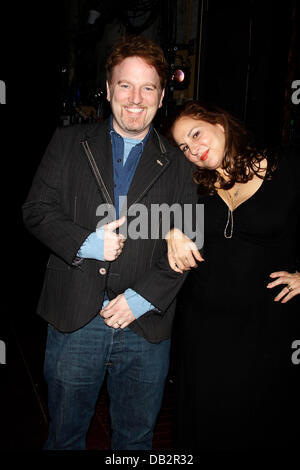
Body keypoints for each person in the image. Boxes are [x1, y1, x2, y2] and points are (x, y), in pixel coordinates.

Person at [22, 35, 197, 450]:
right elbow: (36, 210)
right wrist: (85, 242)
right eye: (125, 85)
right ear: (108, 90)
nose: (135, 98)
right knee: (64, 438)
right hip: (74, 318)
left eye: (148, 87)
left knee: (135, 441)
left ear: (160, 96)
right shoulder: (67, 143)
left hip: (145, 327)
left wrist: (140, 299)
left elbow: (187, 241)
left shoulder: (178, 162)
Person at [165, 100, 300, 450]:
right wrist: (169, 230)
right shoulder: (192, 188)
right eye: (184, 147)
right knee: (205, 426)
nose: (193, 149)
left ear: (220, 125)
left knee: (260, 424)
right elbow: (137, 209)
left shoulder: (287, 167)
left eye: (195, 134)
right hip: (204, 333)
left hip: (266, 331)